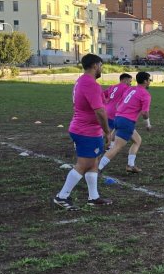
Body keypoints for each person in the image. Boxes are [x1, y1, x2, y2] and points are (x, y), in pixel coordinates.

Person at [53, 54, 113, 210]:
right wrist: (107, 132)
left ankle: (93, 197)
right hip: (85, 130)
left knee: (93, 164)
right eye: (101, 65)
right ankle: (62, 196)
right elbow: (99, 111)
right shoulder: (90, 84)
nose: (101, 68)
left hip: (86, 129)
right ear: (95, 65)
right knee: (83, 165)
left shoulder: (82, 80)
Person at [98, 72, 152, 173]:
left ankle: (130, 165)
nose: (150, 82)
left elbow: (119, 104)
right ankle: (97, 168)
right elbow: (145, 113)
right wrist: (148, 124)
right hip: (126, 122)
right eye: (149, 80)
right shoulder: (145, 94)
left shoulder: (131, 89)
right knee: (117, 147)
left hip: (118, 118)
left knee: (137, 140)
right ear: (145, 81)